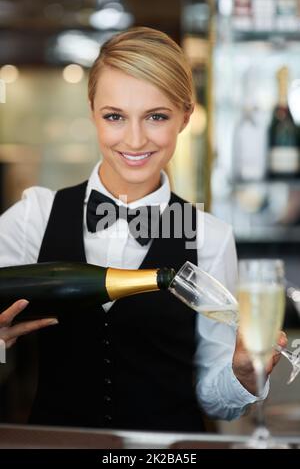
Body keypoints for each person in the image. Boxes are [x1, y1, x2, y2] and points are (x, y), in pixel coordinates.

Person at [0, 27, 286, 432]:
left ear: (185, 116)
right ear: (92, 112)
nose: (134, 140)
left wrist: (242, 372)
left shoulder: (209, 237)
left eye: (156, 116)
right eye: (115, 116)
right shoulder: (34, 216)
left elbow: (215, 400)